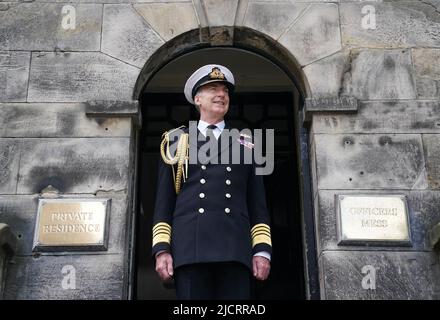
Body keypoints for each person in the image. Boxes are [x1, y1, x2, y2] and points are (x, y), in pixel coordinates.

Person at [151, 64, 272, 300]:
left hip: (235, 250)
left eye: (225, 91)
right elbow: (163, 203)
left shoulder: (246, 144)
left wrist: (262, 250)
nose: (221, 95)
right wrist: (161, 249)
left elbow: (258, 206)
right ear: (197, 99)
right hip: (190, 250)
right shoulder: (176, 141)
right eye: (213, 89)